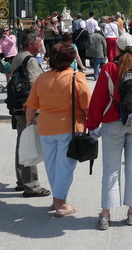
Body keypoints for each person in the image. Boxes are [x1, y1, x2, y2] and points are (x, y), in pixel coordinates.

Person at [86, 34, 132, 230]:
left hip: (112, 122)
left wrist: (92, 125)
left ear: (116, 48)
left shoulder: (109, 68)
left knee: (111, 170)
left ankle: (105, 215)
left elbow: (98, 99)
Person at [24, 43, 92, 217]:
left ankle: (57, 200)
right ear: (71, 58)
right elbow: (86, 104)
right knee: (65, 167)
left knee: (52, 166)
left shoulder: (42, 78)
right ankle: (61, 204)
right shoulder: (76, 77)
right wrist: (92, 124)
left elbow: (31, 105)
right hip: (69, 127)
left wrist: (30, 122)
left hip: (46, 127)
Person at [10, 29, 50, 198]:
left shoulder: (18, 57)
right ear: (32, 43)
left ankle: (22, 180)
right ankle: (31, 185)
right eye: (39, 41)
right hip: (30, 108)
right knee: (30, 145)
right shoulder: (31, 60)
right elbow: (35, 86)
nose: (41, 44)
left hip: (18, 105)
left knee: (23, 143)